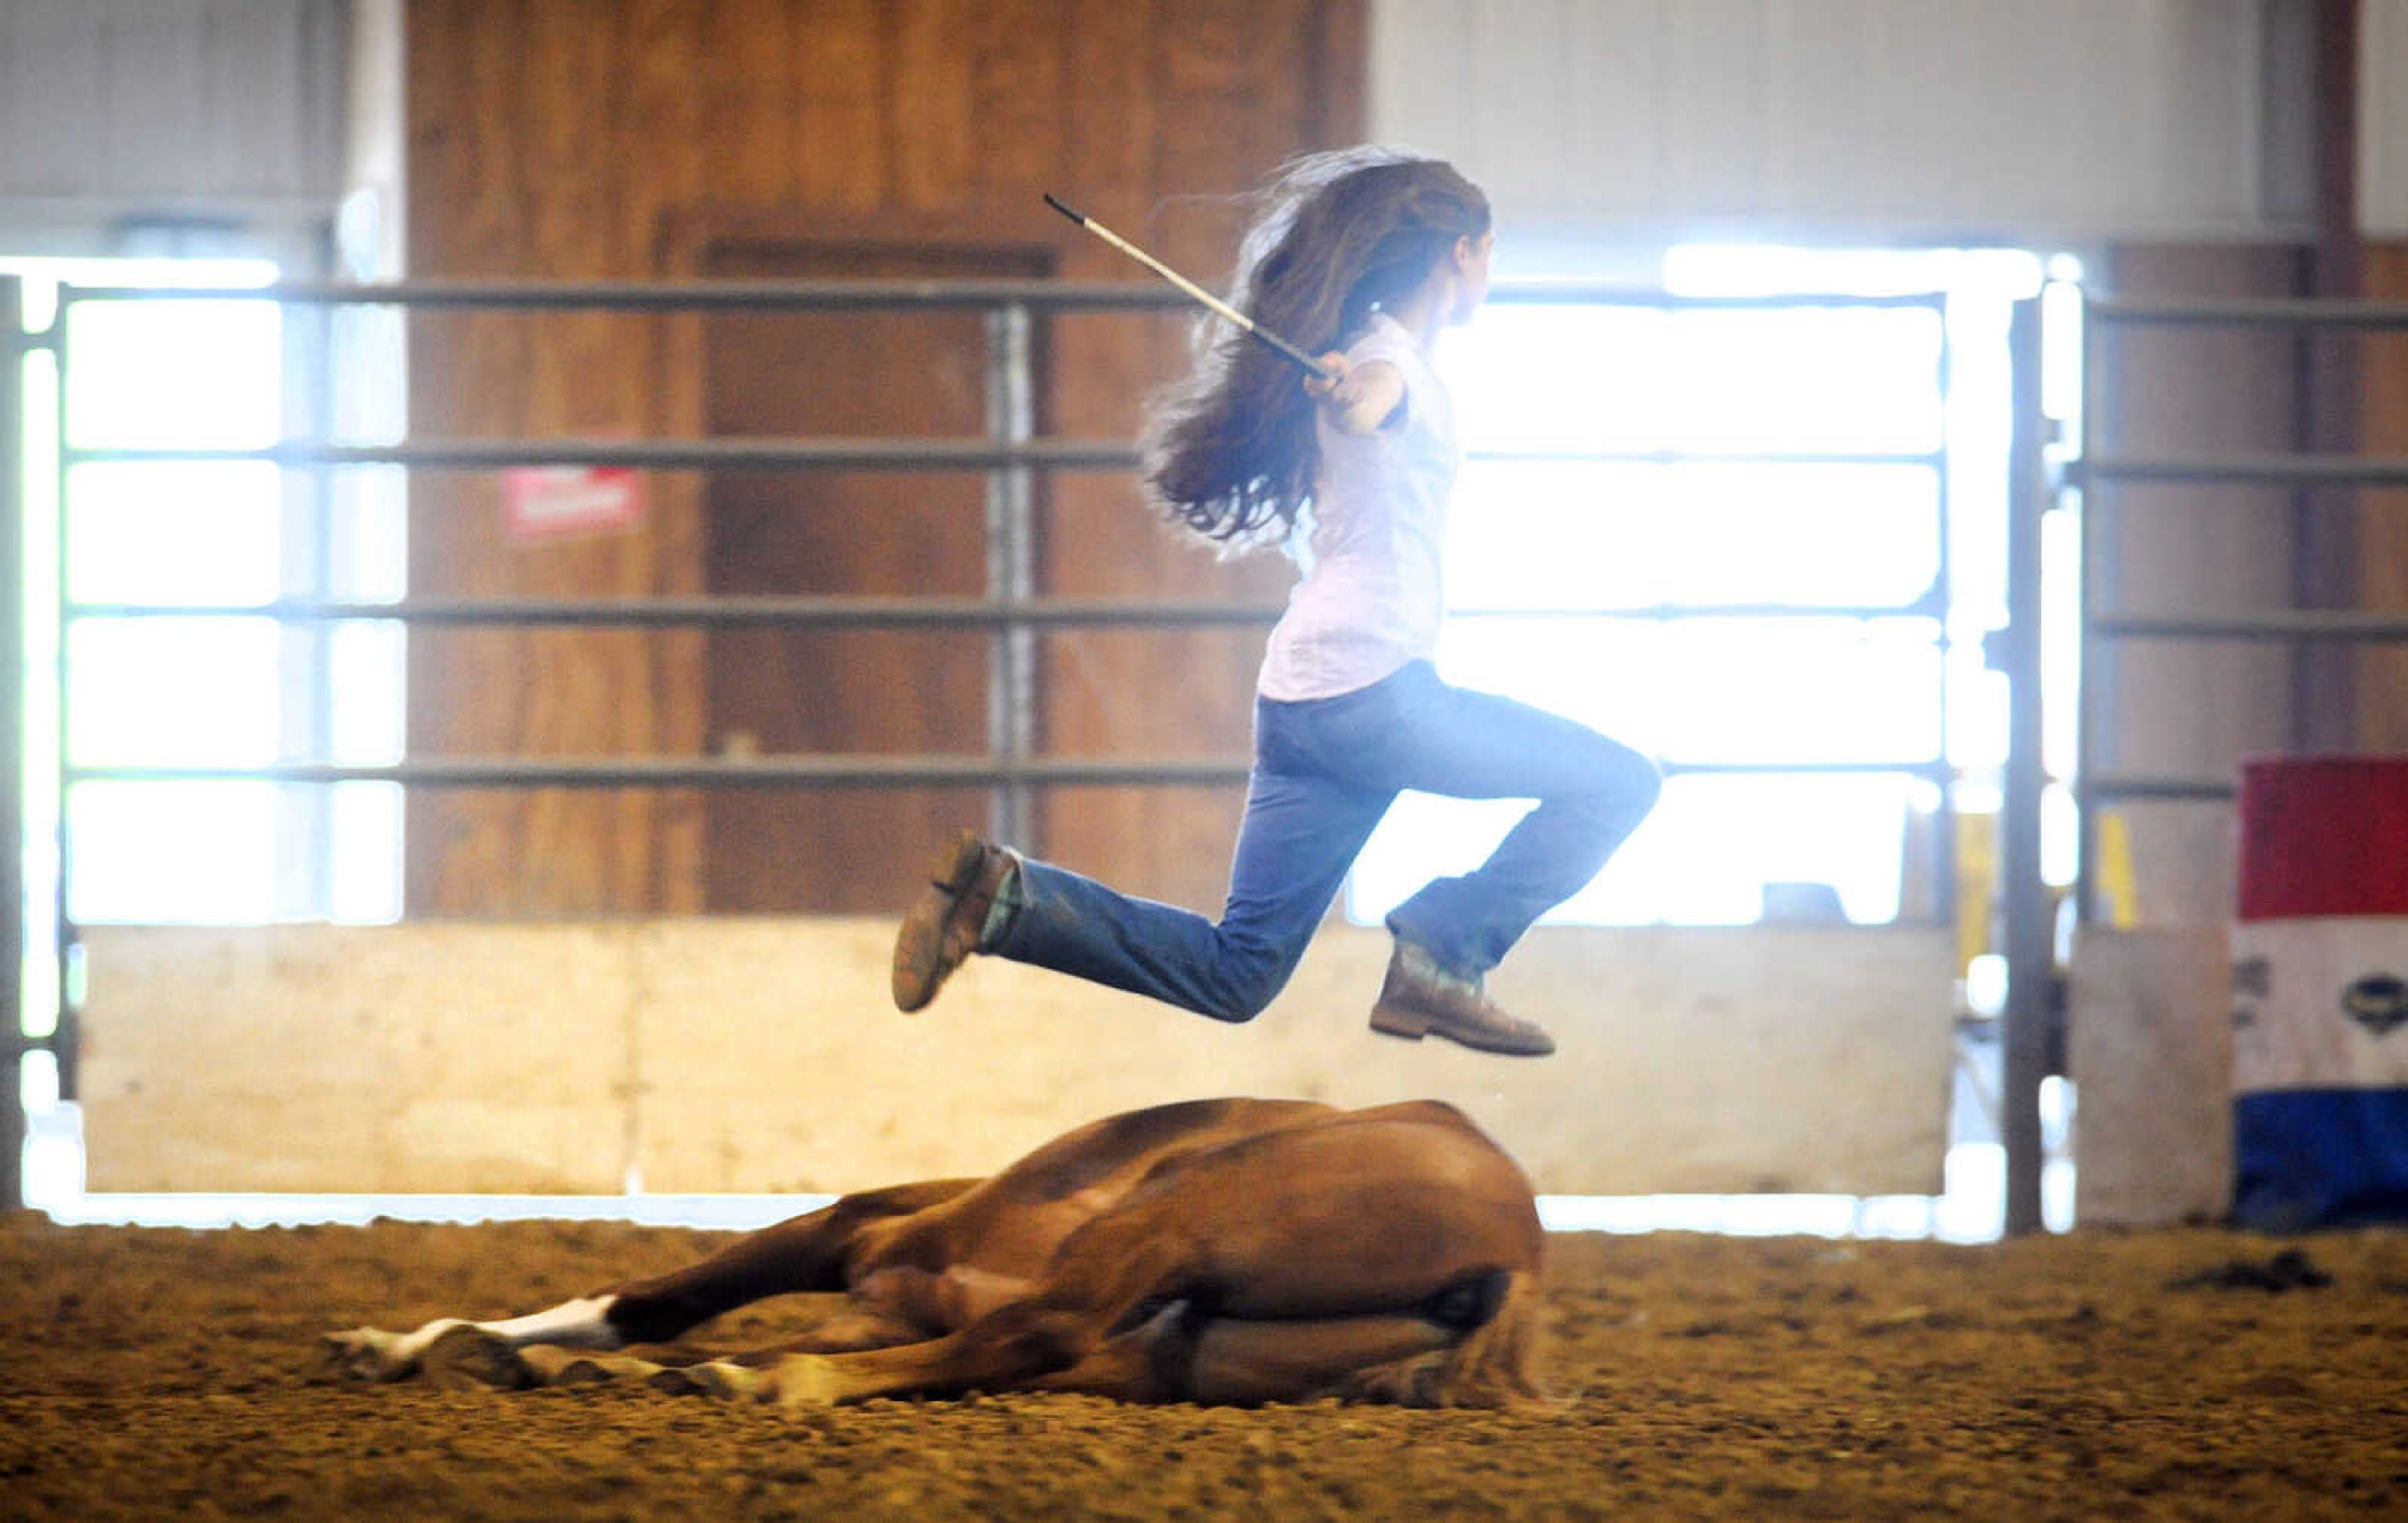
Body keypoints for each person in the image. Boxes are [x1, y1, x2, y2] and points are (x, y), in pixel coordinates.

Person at [892, 147, 1661, 1057]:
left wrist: (1356, 395)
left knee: (1238, 972)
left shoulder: (1378, 353)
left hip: (1304, 702)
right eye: (1490, 252)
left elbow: (1372, 400)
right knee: (1621, 781)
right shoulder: (1390, 363)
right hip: (1378, 696)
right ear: (1463, 252)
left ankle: (1006, 898)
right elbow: (1379, 400)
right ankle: (1445, 952)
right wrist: (1360, 399)